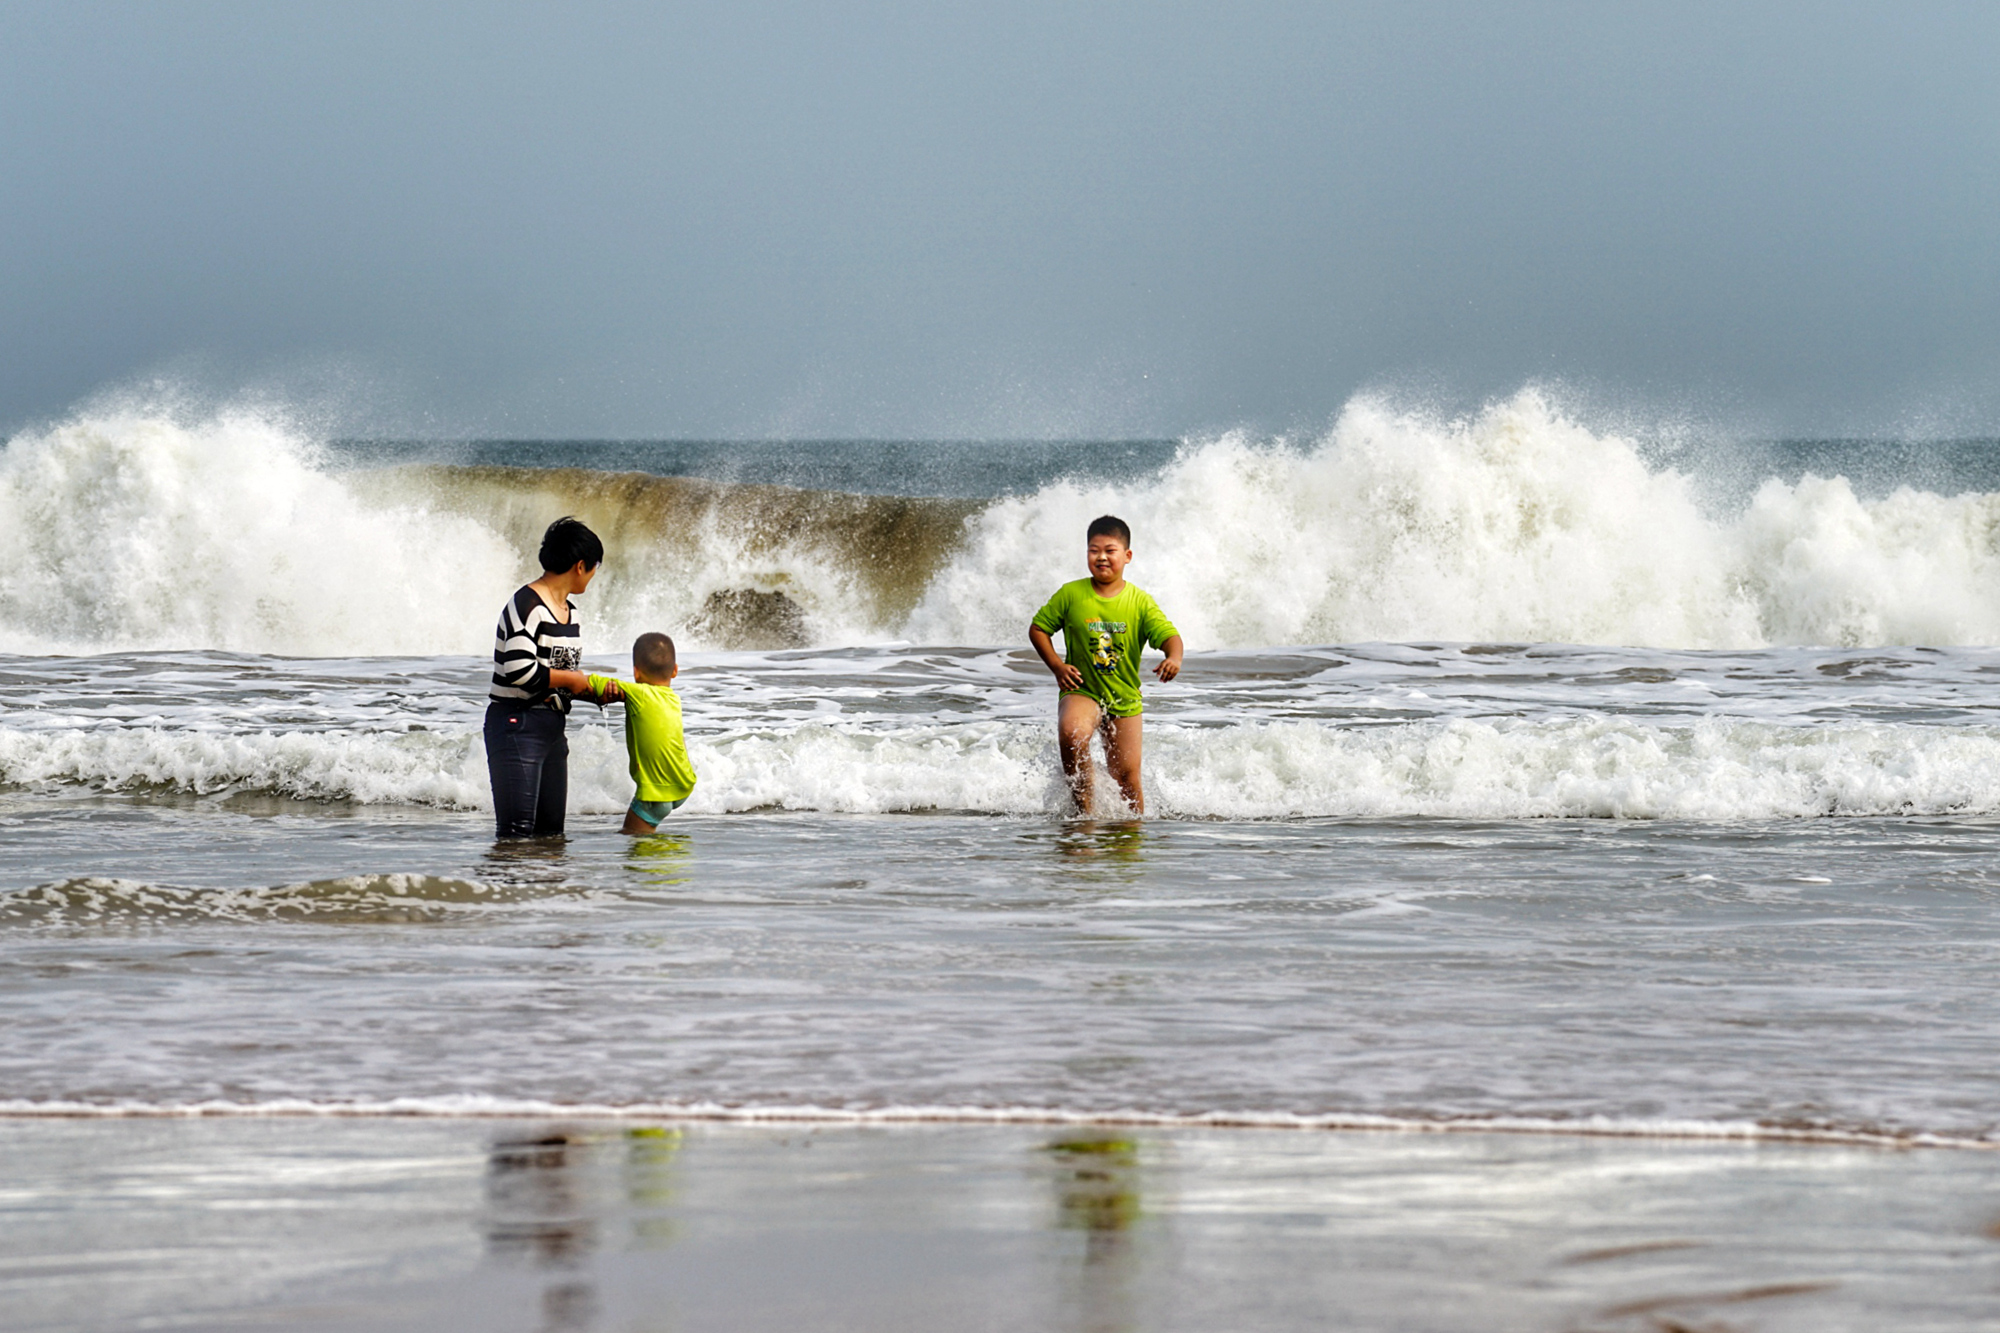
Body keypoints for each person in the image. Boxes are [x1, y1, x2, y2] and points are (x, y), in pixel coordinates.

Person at [1028, 515, 1183, 815]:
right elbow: (1038, 629)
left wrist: (1173, 658)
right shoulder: (1070, 594)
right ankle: (1083, 813)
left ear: (1127, 556)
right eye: (1093, 550)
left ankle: (1132, 831)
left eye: (1110, 550)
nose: (1101, 557)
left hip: (1123, 697)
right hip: (1081, 689)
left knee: (1127, 776)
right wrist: (1058, 667)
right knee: (1071, 733)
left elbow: (1170, 636)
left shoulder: (1139, 602)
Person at [485, 516, 605, 838]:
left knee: (551, 837)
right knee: (515, 836)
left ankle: (545, 890)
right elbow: (519, 670)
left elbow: (558, 675)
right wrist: (571, 681)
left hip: (552, 728)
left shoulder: (570, 612)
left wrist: (592, 691)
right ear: (581, 566)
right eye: (595, 568)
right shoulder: (527, 604)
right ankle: (503, 890)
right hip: (516, 724)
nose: (593, 577)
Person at [584, 632, 698, 833]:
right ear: (675, 671)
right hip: (683, 784)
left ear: (636, 673)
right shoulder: (673, 699)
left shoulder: (638, 693)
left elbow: (589, 682)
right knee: (650, 847)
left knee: (634, 842)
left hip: (655, 793)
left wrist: (554, 678)